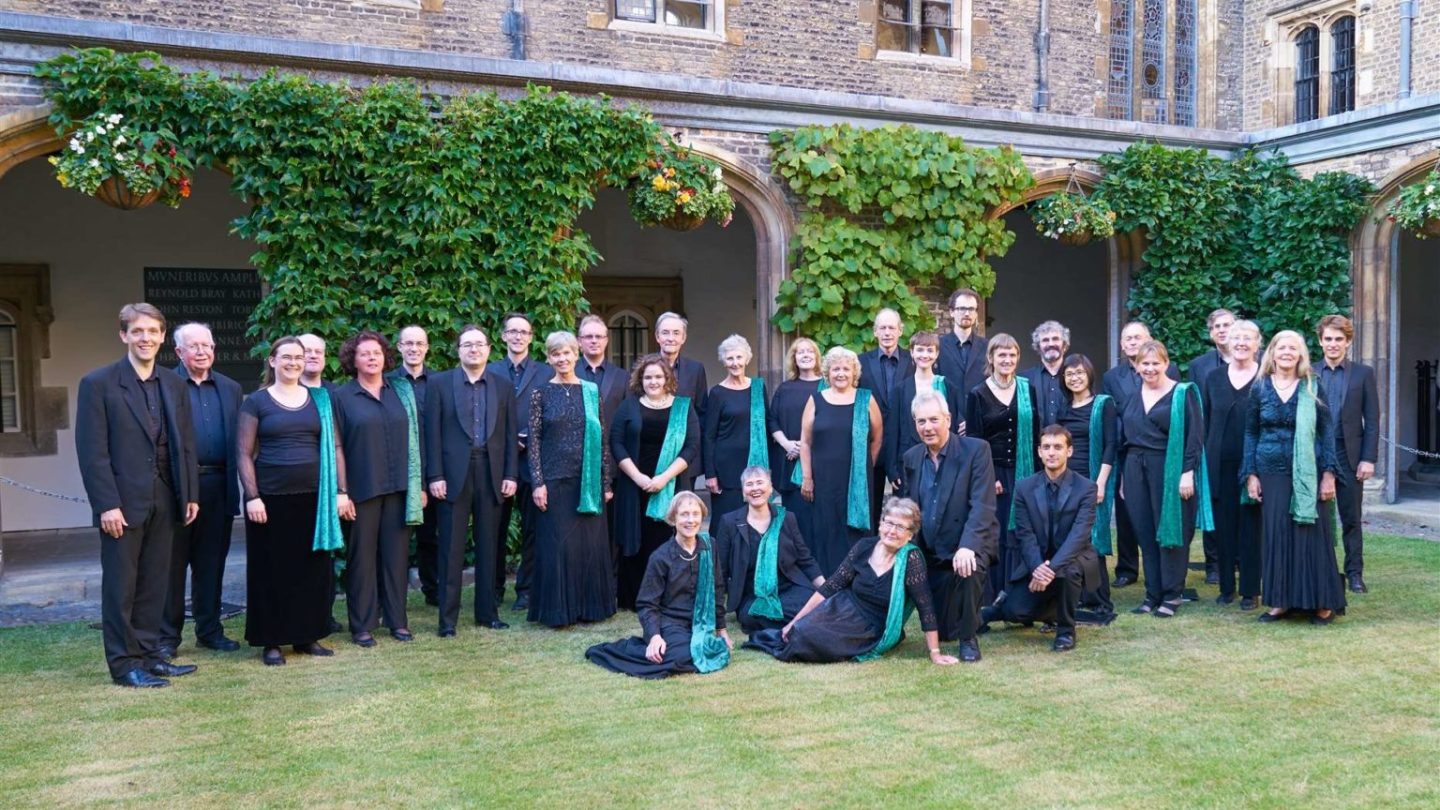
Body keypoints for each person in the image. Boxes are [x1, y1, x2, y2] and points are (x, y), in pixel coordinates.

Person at [76, 303, 199, 687]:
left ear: (162, 337)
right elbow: (92, 452)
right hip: (122, 503)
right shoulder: (98, 384)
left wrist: (189, 493)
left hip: (166, 496)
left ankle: (150, 656)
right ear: (124, 335)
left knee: (154, 583)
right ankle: (123, 663)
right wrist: (106, 505)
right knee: (121, 587)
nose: (145, 338)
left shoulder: (174, 384)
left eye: (152, 331)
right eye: (137, 331)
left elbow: (185, 444)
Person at [237, 337, 347, 666]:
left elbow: (336, 447)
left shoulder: (320, 400)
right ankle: (271, 640)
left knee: (311, 571)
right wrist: (252, 497)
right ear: (272, 361)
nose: (294, 362)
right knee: (271, 571)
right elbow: (243, 452)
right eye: (286, 357)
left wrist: (341, 491)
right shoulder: (257, 402)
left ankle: (307, 636)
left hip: (315, 499)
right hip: (270, 500)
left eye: (299, 357)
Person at [745, 498, 958, 666]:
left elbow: (925, 606)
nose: (892, 531)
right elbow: (831, 586)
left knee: (808, 637)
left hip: (870, 626)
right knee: (799, 630)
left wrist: (935, 652)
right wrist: (793, 622)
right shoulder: (864, 546)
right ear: (880, 524)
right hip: (842, 607)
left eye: (901, 527)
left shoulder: (911, 559)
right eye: (889, 523)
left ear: (910, 535)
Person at [1245, 330, 1346, 625]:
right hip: (1270, 470)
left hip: (1308, 471)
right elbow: (1250, 432)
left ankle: (1322, 603)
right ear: (1272, 353)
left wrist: (1329, 474)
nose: (1287, 352)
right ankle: (1280, 601)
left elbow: (1327, 432)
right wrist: (1250, 474)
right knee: (1276, 534)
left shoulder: (1312, 386)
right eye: (1281, 348)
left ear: (1301, 354)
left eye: (1293, 348)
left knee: (1311, 533)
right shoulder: (1260, 387)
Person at [425, 325, 519, 636]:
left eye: (479, 344)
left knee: (489, 547)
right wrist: (435, 475)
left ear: (489, 349)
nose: (474, 349)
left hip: (491, 473)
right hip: (452, 475)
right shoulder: (439, 384)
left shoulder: (503, 386)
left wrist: (510, 474)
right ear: (459, 350)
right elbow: (431, 433)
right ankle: (447, 621)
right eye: (467, 345)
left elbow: (509, 434)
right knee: (450, 548)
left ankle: (487, 614)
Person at [333, 330, 425, 646]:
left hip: (399, 488)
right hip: (362, 490)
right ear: (353, 360)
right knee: (361, 560)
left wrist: (419, 485)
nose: (372, 358)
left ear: (386, 357)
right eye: (364, 353)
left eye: (376, 353)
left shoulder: (400, 392)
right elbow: (336, 447)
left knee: (396, 558)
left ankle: (398, 621)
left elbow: (416, 440)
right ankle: (362, 624)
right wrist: (341, 492)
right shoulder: (342, 397)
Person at [896, 390, 998, 663]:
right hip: (931, 550)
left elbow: (983, 505)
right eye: (921, 421)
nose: (927, 427)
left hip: (966, 544)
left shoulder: (976, 450)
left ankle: (969, 640)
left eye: (933, 420)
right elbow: (909, 507)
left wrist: (968, 546)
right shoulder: (911, 457)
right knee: (944, 631)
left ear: (948, 419)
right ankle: (891, 629)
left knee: (969, 566)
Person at [161, 322, 243, 654]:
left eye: (206, 345)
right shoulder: (164, 385)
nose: (201, 351)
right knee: (172, 566)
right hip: (176, 487)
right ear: (178, 351)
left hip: (218, 485)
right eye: (193, 346)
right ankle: (167, 638)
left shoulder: (231, 388)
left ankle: (209, 631)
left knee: (211, 564)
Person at [585, 492, 731, 678]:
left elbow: (717, 588)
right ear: (673, 519)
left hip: (700, 622)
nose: (690, 520)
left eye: (695, 514)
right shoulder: (661, 557)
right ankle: (630, 649)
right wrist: (654, 636)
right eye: (684, 514)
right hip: (671, 623)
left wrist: (721, 630)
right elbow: (647, 604)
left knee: (714, 649)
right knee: (683, 655)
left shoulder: (710, 546)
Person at [981, 426, 1097, 652]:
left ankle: (1065, 631)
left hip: (1072, 559)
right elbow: (1025, 535)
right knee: (1017, 611)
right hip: (1037, 562)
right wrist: (1037, 568)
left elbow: (1079, 536)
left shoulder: (1086, 488)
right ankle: (1013, 609)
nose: (1051, 452)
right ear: (1039, 452)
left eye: (1058, 447)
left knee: (1069, 571)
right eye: (1046, 447)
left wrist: (1049, 570)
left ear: (1069, 451)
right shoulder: (1024, 487)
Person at [528, 331, 616, 627]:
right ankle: (558, 612)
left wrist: (605, 483)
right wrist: (537, 482)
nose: (562, 358)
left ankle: (589, 609)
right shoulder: (540, 394)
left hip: (587, 481)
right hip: (554, 480)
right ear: (549, 358)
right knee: (558, 546)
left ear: (576, 355)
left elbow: (602, 438)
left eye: (566, 352)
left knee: (588, 545)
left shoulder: (591, 391)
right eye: (556, 354)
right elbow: (534, 441)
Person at [1118, 339, 1208, 618]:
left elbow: (1194, 437)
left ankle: (1172, 594)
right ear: (1136, 366)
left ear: (1166, 363)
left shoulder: (1182, 393)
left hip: (1168, 468)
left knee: (1170, 531)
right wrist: (1123, 478)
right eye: (1144, 363)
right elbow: (1125, 440)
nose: (1150, 368)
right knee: (1145, 532)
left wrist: (1187, 472)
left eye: (1155, 363)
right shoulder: (1132, 396)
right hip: (1135, 467)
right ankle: (1152, 593)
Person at [611, 354, 700, 611]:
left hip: (670, 484)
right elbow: (616, 442)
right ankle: (634, 598)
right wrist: (638, 477)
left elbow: (691, 446)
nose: (653, 381)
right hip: (634, 485)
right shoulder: (629, 405)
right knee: (636, 539)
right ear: (640, 379)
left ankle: (668, 596)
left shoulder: (683, 407)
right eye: (648, 377)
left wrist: (663, 478)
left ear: (667, 378)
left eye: (658, 376)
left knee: (666, 538)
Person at [1101, 321, 1180, 590]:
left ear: (1149, 340)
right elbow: (1112, 414)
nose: (1133, 342)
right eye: (1128, 339)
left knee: (1158, 512)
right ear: (1122, 345)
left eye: (1138, 337)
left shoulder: (1170, 372)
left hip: (1159, 452)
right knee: (1127, 513)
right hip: (1127, 450)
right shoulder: (1112, 377)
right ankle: (1127, 568)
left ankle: (1163, 574)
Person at [965, 333, 1040, 599]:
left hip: (1025, 471)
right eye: (1002, 355)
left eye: (1012, 355)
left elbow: (1035, 433)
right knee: (995, 531)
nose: (1007, 360)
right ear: (991, 358)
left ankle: (1017, 589)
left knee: (1021, 529)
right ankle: (994, 592)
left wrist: (1038, 474)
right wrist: (989, 477)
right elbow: (974, 440)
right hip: (993, 474)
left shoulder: (1027, 389)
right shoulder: (977, 393)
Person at [799, 346, 883, 573]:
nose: (841, 373)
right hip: (823, 479)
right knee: (826, 527)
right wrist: (807, 477)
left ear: (854, 372)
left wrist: (864, 469)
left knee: (855, 531)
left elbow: (877, 439)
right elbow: (805, 442)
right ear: (828, 372)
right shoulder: (816, 399)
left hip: (857, 480)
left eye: (846, 369)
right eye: (836, 369)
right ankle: (826, 580)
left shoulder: (865, 399)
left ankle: (857, 577)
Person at [489, 312, 553, 612]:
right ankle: (493, 588)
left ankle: (526, 590)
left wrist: (527, 437)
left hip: (532, 458)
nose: (517, 336)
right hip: (496, 460)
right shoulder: (489, 370)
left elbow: (551, 411)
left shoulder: (545, 372)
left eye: (523, 332)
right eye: (512, 331)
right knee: (494, 528)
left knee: (532, 529)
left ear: (531, 337)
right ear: (503, 336)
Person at [713, 466, 824, 633]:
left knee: (815, 603)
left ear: (770, 487)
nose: (755, 488)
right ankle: (801, 623)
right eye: (749, 484)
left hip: (790, 588)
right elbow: (720, 570)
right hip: (754, 595)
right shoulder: (729, 522)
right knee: (751, 616)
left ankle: (795, 623)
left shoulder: (787, 518)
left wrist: (827, 590)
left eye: (760, 482)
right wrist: (715, 612)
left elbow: (805, 560)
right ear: (743, 491)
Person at [1316, 315, 1379, 594]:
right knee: (1317, 518)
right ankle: (1323, 571)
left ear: (1348, 342)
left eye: (1339, 339)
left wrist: (1369, 458)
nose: (1333, 344)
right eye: (1328, 339)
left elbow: (1373, 420)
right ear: (1320, 341)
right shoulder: (1308, 372)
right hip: (1317, 454)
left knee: (1351, 518)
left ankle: (1354, 573)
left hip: (1349, 455)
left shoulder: (1363, 374)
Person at [1203, 320, 1263, 609]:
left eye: (1247, 338)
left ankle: (1250, 590)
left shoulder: (1265, 377)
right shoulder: (1213, 378)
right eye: (1236, 337)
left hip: (1255, 465)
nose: (1241, 343)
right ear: (1227, 341)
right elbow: (1205, 421)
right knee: (1223, 528)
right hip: (1219, 465)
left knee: (1251, 528)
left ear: (1257, 344)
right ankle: (1226, 587)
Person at [1055, 353, 1117, 619]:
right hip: (1067, 480)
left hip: (1092, 478)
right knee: (1070, 538)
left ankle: (1098, 598)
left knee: (1092, 540)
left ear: (1089, 374)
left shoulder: (1103, 404)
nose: (1075, 378)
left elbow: (1111, 445)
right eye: (1069, 374)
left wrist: (1099, 483)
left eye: (1079, 372)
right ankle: (1076, 595)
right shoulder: (1063, 409)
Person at [392, 324, 440, 606]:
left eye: (419, 343)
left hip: (433, 470)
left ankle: (432, 591)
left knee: (430, 537)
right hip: (399, 472)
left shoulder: (440, 383)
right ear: (399, 347)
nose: (414, 348)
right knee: (396, 538)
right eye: (408, 343)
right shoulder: (387, 383)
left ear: (427, 348)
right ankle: (393, 595)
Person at [1188, 308, 1235, 584]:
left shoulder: (1256, 359)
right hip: (1211, 444)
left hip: (1242, 442)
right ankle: (1214, 564)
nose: (1222, 330)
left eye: (1227, 325)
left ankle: (1240, 558)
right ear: (1210, 333)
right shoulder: (1200, 365)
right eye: (1217, 326)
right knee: (1213, 503)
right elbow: (1197, 407)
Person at [884, 330, 963, 489]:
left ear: (936, 354)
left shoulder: (948, 387)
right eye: (920, 350)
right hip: (907, 461)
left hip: (943, 460)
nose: (924, 355)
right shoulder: (900, 389)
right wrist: (891, 469)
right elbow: (892, 430)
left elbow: (953, 427)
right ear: (912, 352)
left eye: (929, 350)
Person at [704, 335, 769, 519]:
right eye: (730, 358)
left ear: (747, 358)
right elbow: (709, 436)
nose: (735, 363)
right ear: (723, 362)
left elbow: (768, 423)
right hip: (726, 468)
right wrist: (710, 474)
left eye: (739, 357)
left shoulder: (758, 387)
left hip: (755, 465)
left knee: (755, 518)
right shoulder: (717, 393)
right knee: (726, 519)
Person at [859, 308, 913, 523]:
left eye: (892, 327)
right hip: (871, 442)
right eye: (882, 328)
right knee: (869, 506)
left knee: (905, 505)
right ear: (875, 332)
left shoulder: (913, 360)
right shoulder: (861, 362)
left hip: (903, 444)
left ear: (900, 330)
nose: (887, 332)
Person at [768, 337, 823, 542]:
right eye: (800, 352)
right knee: (794, 519)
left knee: (817, 519)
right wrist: (788, 444)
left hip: (818, 460)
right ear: (794, 358)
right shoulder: (784, 388)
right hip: (789, 458)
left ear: (816, 356)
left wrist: (806, 446)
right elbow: (772, 420)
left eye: (810, 351)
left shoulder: (826, 387)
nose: (806, 355)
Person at [654, 311, 708, 491]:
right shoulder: (645, 366)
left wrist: (693, 447)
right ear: (657, 337)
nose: (671, 338)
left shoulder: (696, 369)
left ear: (683, 338)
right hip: (653, 453)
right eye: (665, 333)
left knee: (684, 505)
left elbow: (702, 412)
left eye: (676, 333)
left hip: (686, 456)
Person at [937, 288, 989, 434]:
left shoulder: (987, 347)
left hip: (981, 424)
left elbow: (991, 386)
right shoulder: (938, 346)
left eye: (971, 309)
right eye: (961, 309)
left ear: (976, 313)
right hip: (947, 424)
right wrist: (957, 419)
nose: (967, 313)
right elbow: (937, 385)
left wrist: (973, 420)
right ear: (952, 312)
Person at [1020, 320, 1070, 428]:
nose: (1051, 344)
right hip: (1036, 438)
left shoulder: (1076, 378)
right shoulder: (1024, 379)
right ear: (1038, 346)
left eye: (1055, 339)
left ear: (1064, 344)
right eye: (1045, 340)